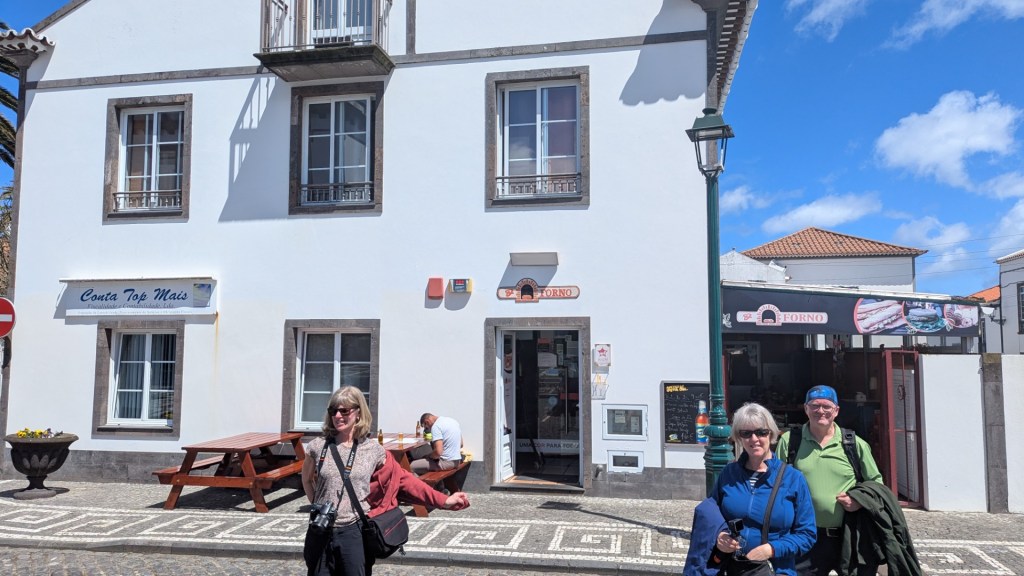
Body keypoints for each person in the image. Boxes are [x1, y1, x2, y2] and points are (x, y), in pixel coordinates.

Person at [302, 387, 470, 576]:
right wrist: (317, 506)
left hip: (354, 531)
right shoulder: (318, 446)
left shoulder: (373, 450)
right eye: (334, 411)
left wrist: (444, 500)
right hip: (320, 531)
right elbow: (307, 480)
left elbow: (404, 480)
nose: (338, 416)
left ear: (358, 413)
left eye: (344, 411)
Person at [776, 385, 883, 576]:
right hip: (805, 536)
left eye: (826, 406)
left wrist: (859, 501)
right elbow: (776, 482)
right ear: (806, 409)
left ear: (836, 410)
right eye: (815, 406)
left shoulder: (854, 443)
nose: (820, 411)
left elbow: (876, 484)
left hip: (849, 535)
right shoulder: (790, 441)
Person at [710, 402, 816, 576]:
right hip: (733, 568)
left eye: (761, 432)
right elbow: (711, 516)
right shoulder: (728, 474)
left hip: (775, 569)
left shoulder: (793, 479)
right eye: (746, 433)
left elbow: (807, 534)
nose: (754, 439)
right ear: (739, 436)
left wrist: (772, 549)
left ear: (771, 434)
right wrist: (720, 535)